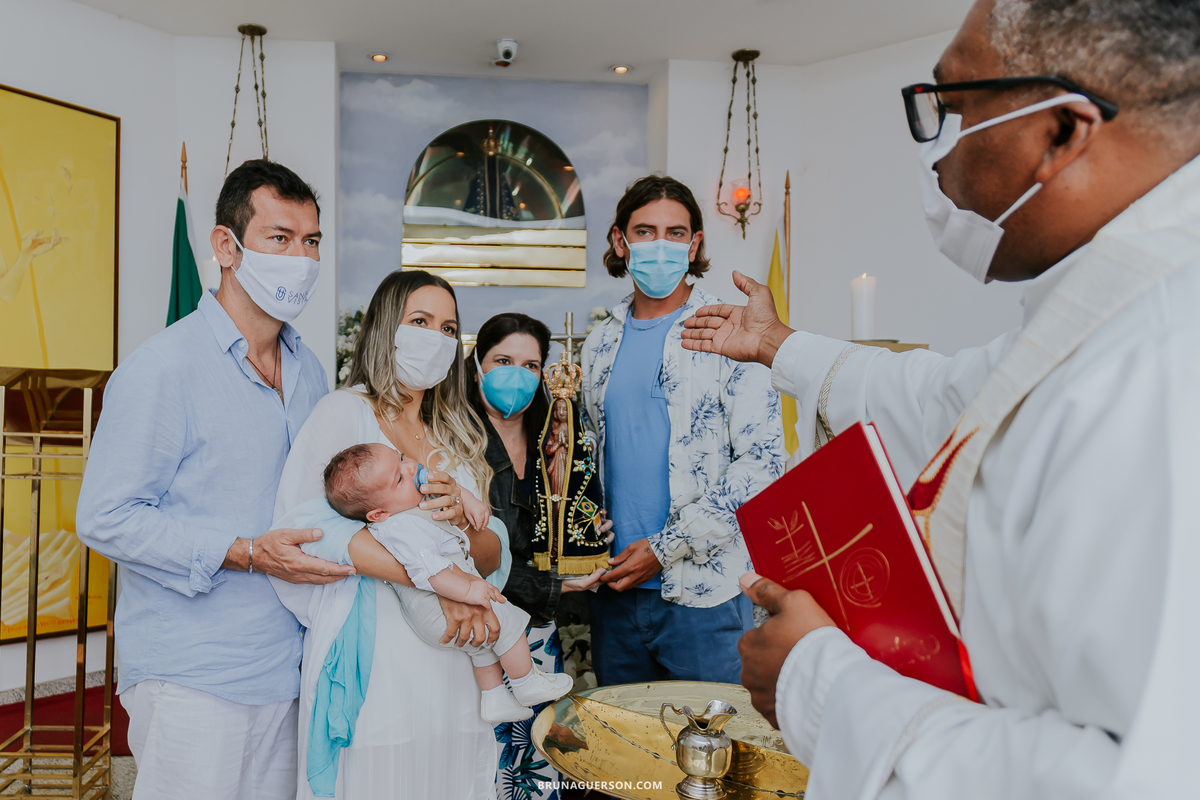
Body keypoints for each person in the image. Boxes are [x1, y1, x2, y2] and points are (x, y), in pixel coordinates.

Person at [681, 1, 1200, 797]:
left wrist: (819, 677)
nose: (938, 161)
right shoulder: (1109, 312)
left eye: (954, 110)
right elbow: (945, 397)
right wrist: (779, 345)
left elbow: (1135, 776)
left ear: (1063, 131)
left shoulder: (1163, 358)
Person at [75, 160, 355, 800]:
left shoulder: (310, 370)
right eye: (278, 239)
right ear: (226, 247)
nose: (300, 259)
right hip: (193, 673)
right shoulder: (162, 369)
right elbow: (106, 515)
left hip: (290, 668)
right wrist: (248, 552)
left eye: (311, 242)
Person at [271, 268, 506, 800]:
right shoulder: (345, 414)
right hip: (376, 661)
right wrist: (441, 580)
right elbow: (301, 532)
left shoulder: (457, 434)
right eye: (420, 321)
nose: (436, 337)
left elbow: (496, 552)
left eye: (449, 329)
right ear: (383, 328)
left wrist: (462, 540)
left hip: (456, 662)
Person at [580, 175, 786, 685]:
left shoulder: (730, 331)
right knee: (626, 762)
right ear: (619, 241)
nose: (660, 245)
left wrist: (665, 547)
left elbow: (764, 464)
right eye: (645, 231)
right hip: (615, 591)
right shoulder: (598, 345)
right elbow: (591, 459)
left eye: (675, 233)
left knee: (713, 758)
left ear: (694, 244)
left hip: (705, 592)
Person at [317, 442, 574, 723]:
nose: (411, 467)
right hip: (436, 605)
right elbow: (431, 572)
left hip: (446, 594)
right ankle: (526, 683)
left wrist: (471, 503)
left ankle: (495, 697)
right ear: (378, 514)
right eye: (400, 477)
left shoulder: (410, 501)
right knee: (507, 622)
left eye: (402, 457)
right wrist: (469, 590)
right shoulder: (400, 527)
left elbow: (445, 487)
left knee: (482, 644)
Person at [464, 312, 612, 799]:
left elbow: (570, 515)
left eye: (531, 365)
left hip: (541, 633)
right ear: (477, 365)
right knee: (481, 767)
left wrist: (587, 531)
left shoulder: (556, 438)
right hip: (476, 630)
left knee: (538, 763)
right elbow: (465, 557)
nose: (517, 374)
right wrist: (556, 584)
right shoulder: (453, 441)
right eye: (502, 360)